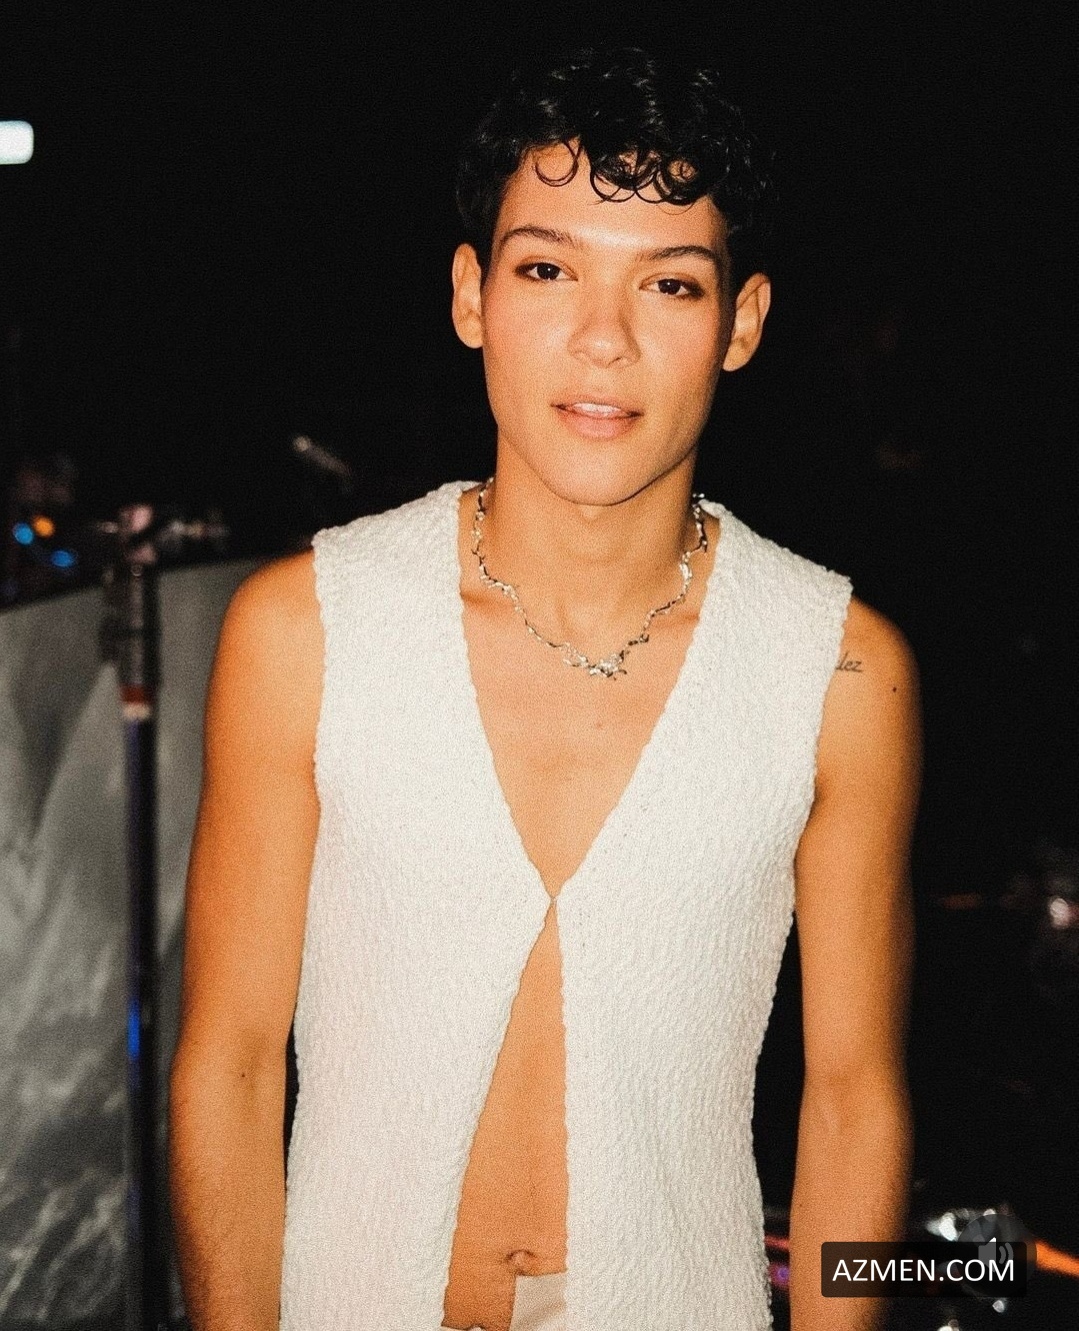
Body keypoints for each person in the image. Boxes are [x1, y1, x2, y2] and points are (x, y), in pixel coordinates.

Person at [168, 46, 920, 1331]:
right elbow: (228, 1060)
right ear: (471, 294)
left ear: (739, 323)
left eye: (668, 283)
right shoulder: (305, 630)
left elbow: (853, 1097)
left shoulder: (840, 671)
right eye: (546, 269)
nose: (601, 339)